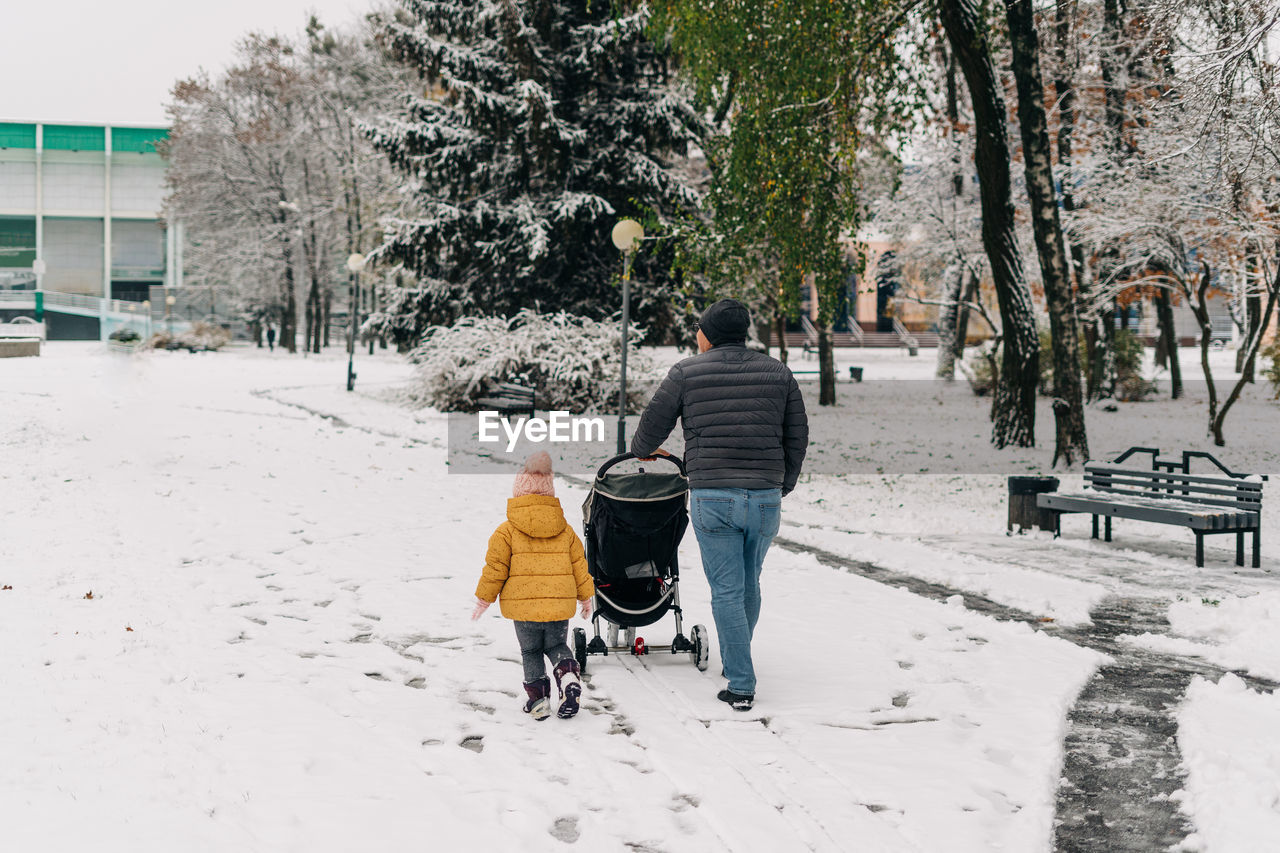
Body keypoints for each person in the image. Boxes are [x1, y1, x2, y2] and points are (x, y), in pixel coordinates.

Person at [630, 298, 808, 712]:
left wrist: (642, 450)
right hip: (764, 497)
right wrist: (783, 483)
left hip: (714, 496)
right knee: (749, 583)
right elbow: (797, 434)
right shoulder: (777, 371)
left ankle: (741, 682)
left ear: (707, 333)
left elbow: (650, 429)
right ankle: (736, 659)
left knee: (727, 590)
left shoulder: (686, 372)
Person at [471, 451, 594, 720]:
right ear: (550, 495)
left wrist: (484, 599)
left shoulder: (506, 531)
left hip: (524, 610)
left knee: (531, 651)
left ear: (518, 494)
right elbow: (579, 566)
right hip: (558, 607)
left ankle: (538, 702)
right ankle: (569, 677)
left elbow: (495, 569)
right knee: (557, 646)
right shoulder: (566, 531)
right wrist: (586, 597)